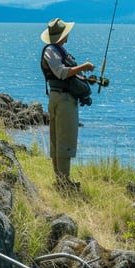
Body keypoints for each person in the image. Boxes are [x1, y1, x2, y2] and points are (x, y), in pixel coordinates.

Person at [40, 18, 96, 190]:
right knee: (65, 140)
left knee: (58, 140)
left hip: (59, 97)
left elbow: (66, 75)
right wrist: (83, 67)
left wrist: (85, 78)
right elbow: (62, 73)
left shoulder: (57, 50)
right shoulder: (52, 51)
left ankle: (61, 181)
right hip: (63, 100)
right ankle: (64, 184)